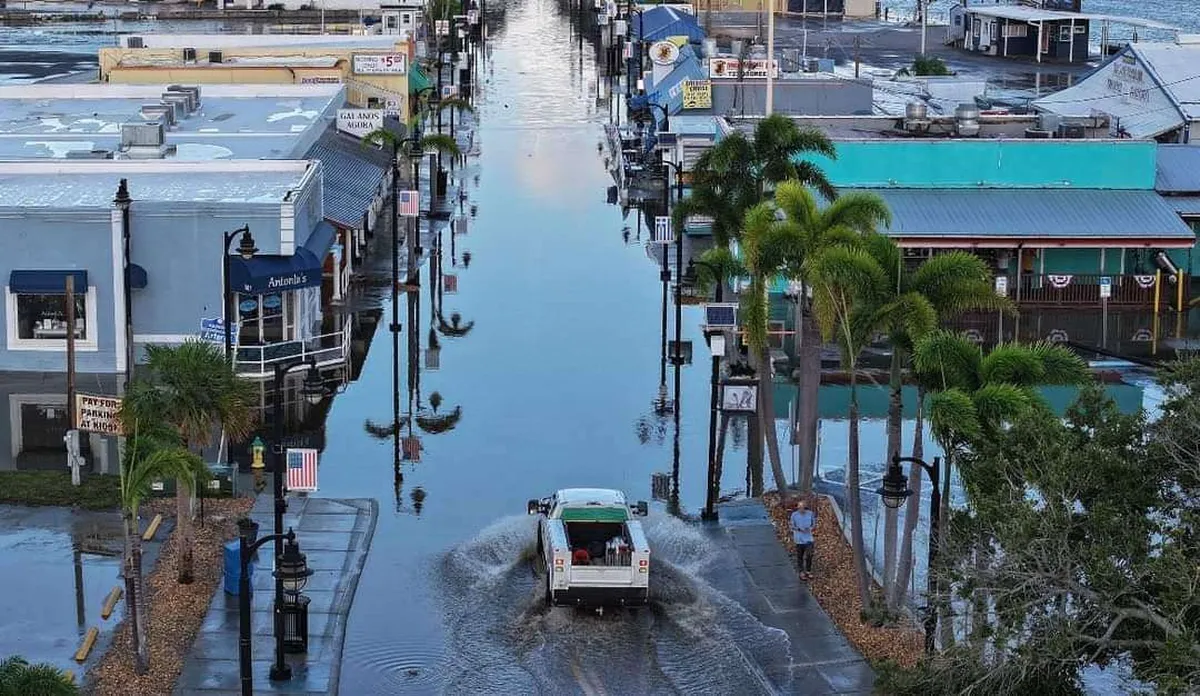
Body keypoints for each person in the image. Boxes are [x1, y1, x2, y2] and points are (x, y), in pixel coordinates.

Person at [790, 497, 816, 581]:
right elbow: (791, 526)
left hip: (808, 538)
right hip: (799, 538)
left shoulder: (810, 514)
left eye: (803, 507)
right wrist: (798, 529)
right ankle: (801, 571)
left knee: (809, 554)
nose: (801, 509)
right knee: (800, 556)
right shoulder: (794, 515)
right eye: (800, 507)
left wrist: (810, 528)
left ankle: (808, 570)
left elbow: (813, 524)